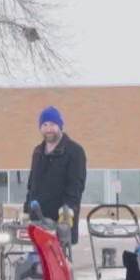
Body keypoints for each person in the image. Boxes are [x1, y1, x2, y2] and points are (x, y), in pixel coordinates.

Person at [23, 105, 88, 246]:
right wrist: (26, 210)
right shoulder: (37, 152)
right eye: (44, 125)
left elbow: (75, 186)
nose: (48, 129)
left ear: (60, 126)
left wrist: (66, 214)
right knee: (31, 265)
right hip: (36, 224)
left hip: (59, 226)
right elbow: (31, 186)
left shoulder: (74, 151)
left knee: (55, 266)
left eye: (52, 124)